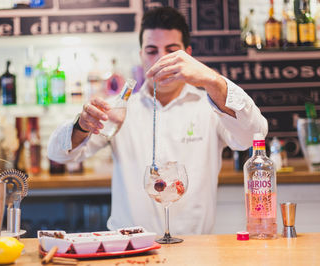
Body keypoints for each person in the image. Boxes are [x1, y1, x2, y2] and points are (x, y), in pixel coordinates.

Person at [48, 7, 268, 235]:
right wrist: (82, 126)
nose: (161, 60)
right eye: (152, 51)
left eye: (171, 51)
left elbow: (253, 135)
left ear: (188, 55)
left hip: (196, 248)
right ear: (141, 54)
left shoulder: (210, 104)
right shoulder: (118, 109)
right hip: (130, 249)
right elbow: (58, 154)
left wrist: (213, 81)